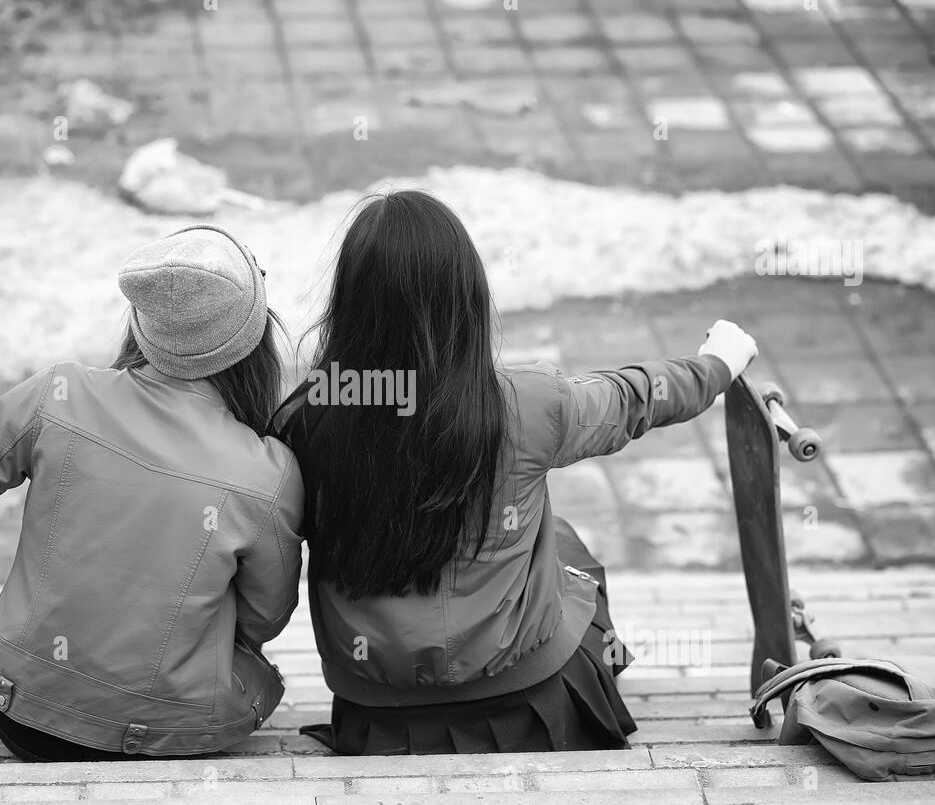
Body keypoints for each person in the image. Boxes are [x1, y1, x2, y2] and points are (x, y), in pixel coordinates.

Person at [273, 191, 756, 755]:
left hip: (376, 714)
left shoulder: (308, 420)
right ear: (467, 297)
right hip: (526, 703)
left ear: (349, 305)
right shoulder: (528, 405)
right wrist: (716, 365)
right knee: (574, 555)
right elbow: (633, 399)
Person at [0, 225, 304, 761]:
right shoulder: (269, 472)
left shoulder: (59, 395)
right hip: (170, 733)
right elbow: (264, 619)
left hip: (21, 714)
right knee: (253, 674)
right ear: (256, 342)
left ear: (142, 326)